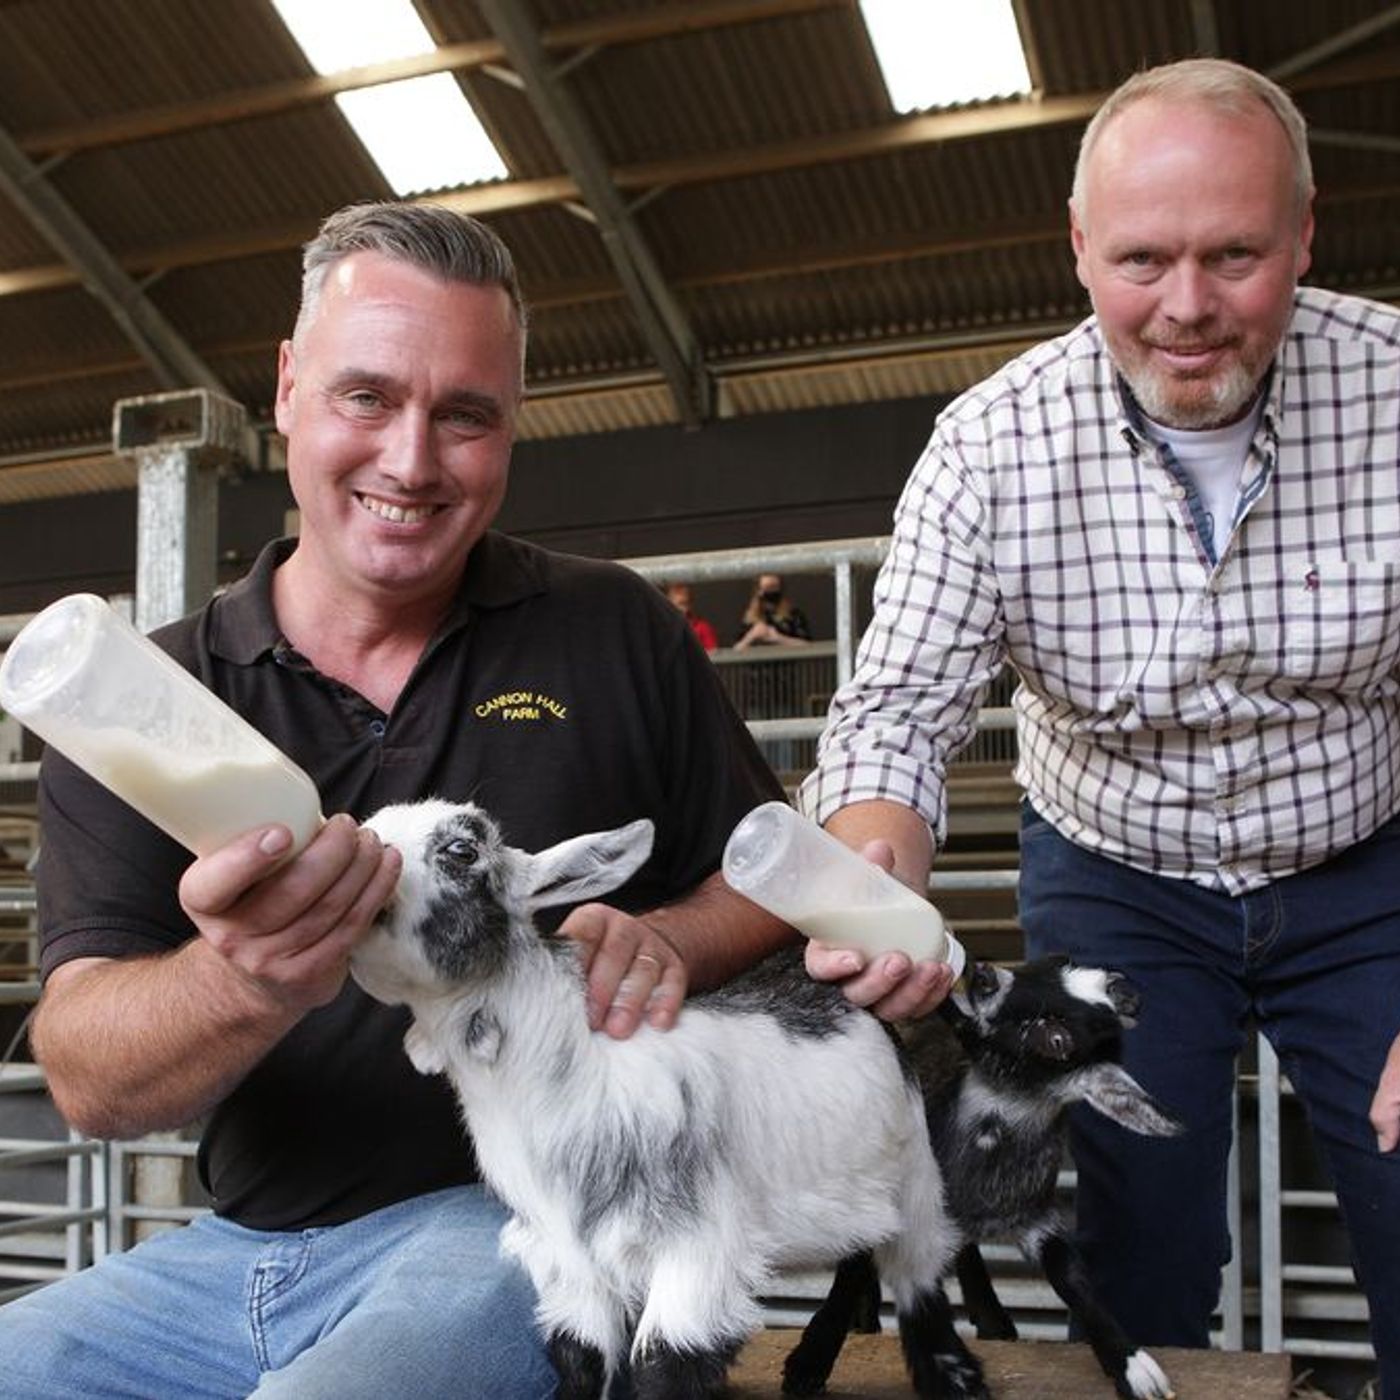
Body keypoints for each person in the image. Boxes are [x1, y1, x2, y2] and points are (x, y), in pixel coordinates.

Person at [0, 201, 789, 1398]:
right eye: (366, 396)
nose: (412, 462)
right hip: (227, 1252)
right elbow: (89, 1077)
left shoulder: (612, 630)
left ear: (511, 421)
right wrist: (247, 975)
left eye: (464, 414)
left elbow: (771, 880)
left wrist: (669, 939)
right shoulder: (153, 699)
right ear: (287, 387)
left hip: (524, 1216)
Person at [798, 58, 1400, 1391]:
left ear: (1305, 233)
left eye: (1234, 255)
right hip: (1119, 872)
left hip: (1365, 864)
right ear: (1078, 246)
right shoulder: (988, 448)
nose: (1186, 307)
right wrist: (871, 874)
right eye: (1140, 260)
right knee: (1140, 1236)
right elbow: (895, 709)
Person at [733, 571, 812, 649]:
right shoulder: (749, 618)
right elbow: (736, 650)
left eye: (774, 587)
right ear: (759, 590)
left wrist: (778, 638)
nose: (771, 593)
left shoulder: (794, 615)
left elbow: (808, 646)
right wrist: (752, 635)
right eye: (767, 588)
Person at [664, 579, 718, 651]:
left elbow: (713, 654)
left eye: (686, 603)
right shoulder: (661, 627)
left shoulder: (703, 627)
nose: (683, 596)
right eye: (680, 603)